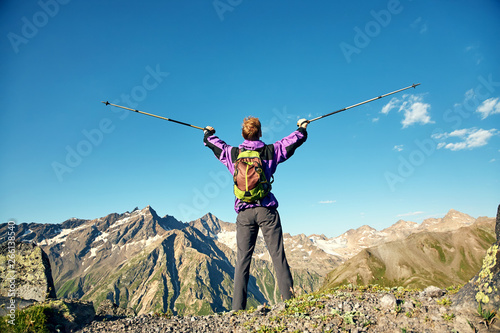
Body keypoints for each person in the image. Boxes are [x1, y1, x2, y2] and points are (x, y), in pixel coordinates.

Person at [203, 116, 309, 310]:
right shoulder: (271, 150)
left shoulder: (233, 153)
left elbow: (212, 143)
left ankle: (237, 310)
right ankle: (291, 305)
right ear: (260, 133)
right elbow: (294, 140)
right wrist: (301, 128)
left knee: (242, 260)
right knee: (277, 256)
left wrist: (208, 133)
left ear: (243, 134)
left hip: (244, 214)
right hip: (266, 210)